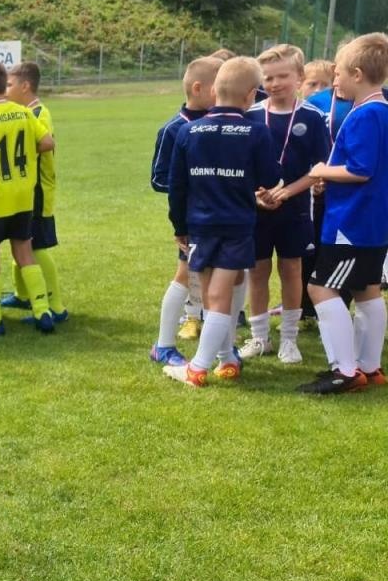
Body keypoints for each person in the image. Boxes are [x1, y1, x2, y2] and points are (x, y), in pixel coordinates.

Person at [265, 33, 388, 393]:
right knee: (366, 289)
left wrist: (322, 171)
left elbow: (360, 170)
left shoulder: (366, 114)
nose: (335, 81)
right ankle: (370, 367)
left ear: (357, 74)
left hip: (352, 222)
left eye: (338, 74)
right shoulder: (382, 111)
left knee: (319, 287)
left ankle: (345, 371)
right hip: (372, 220)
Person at [164, 57, 279, 387]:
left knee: (214, 296)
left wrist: (179, 227)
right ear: (251, 95)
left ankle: (199, 367)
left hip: (201, 227)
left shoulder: (188, 131)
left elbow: (177, 187)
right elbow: (271, 177)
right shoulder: (257, 132)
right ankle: (222, 359)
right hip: (238, 227)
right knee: (220, 296)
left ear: (214, 90)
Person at [242, 45, 330, 363]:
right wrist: (255, 195)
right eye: (268, 78)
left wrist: (288, 191)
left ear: (299, 77)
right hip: (257, 208)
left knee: (291, 269)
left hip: (296, 209)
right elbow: (241, 166)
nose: (275, 83)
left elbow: (320, 167)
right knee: (257, 271)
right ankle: (259, 337)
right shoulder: (251, 116)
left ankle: (289, 339)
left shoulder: (313, 117)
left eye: (282, 76)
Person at [0, 61, 56, 334]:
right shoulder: (24, 112)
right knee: (24, 252)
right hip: (23, 197)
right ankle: (42, 312)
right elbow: (48, 142)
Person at [149, 56, 221, 364]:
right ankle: (164, 344)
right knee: (185, 274)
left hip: (221, 215)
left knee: (224, 276)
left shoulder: (224, 125)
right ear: (198, 88)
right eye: (220, 86)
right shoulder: (173, 129)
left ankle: (223, 346)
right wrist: (197, 187)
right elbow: (158, 178)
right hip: (195, 218)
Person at [5, 62, 66, 322]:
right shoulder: (23, 112)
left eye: (9, 84)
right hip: (23, 189)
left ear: (25, 86)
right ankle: (22, 295)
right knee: (20, 240)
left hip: (38, 190)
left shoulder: (39, 112)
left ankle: (56, 306)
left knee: (37, 247)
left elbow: (44, 143)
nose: (6, 89)